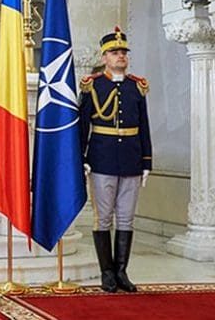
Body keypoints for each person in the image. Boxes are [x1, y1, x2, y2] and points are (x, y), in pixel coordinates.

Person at [79, 26, 151, 294]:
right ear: (104, 56)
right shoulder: (93, 85)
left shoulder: (137, 86)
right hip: (102, 158)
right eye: (115, 52)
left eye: (123, 52)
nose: (121, 56)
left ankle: (122, 271)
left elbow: (144, 125)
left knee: (126, 218)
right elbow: (83, 124)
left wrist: (146, 161)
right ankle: (106, 272)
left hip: (131, 159)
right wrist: (81, 157)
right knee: (103, 218)